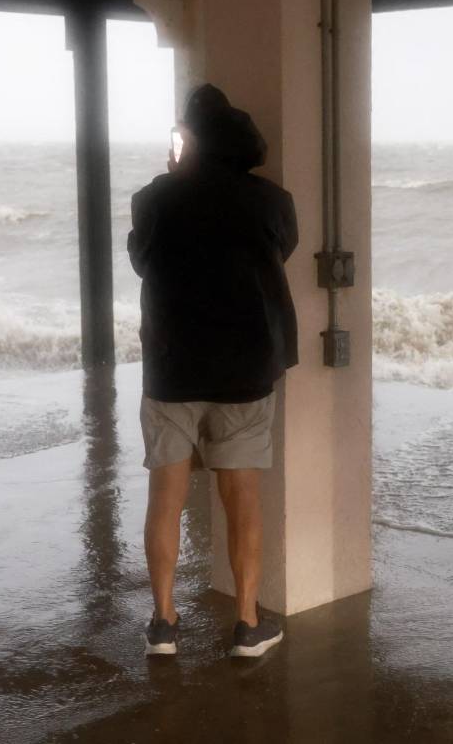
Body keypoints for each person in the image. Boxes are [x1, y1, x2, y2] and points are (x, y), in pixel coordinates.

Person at [127, 84, 298, 658]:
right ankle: (248, 624)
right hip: (245, 366)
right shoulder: (272, 200)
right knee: (241, 495)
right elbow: (281, 252)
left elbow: (142, 260)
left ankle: (164, 624)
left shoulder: (154, 198)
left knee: (166, 496)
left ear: (189, 141)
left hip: (172, 365)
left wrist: (173, 176)